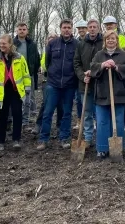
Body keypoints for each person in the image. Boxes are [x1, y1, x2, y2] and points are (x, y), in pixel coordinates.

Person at [0, 34, 31, 153]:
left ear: (10, 44)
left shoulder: (19, 58)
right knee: (2, 116)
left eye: (4, 43)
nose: (1, 46)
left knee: (17, 114)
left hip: (16, 91)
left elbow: (25, 74)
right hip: (1, 92)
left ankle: (16, 140)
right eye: (0, 44)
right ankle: (0, 141)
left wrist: (27, 87)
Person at [37, 19, 78, 150]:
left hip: (69, 84)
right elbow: (47, 62)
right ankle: (43, 139)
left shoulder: (77, 45)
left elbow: (78, 63)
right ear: (60, 29)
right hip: (53, 84)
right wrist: (52, 74)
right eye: (64, 27)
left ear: (72, 29)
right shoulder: (53, 44)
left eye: (69, 27)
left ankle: (64, 137)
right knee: (48, 112)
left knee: (66, 112)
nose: (66, 29)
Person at [90, 31, 125, 158]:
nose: (111, 41)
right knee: (102, 121)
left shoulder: (123, 55)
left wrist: (117, 67)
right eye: (108, 39)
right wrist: (102, 65)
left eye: (113, 38)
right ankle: (102, 148)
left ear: (117, 40)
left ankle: (118, 147)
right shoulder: (99, 55)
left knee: (118, 121)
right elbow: (92, 67)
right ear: (105, 41)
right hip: (102, 92)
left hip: (118, 93)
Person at [73, 19, 103, 146]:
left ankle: (101, 139)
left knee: (101, 114)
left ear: (98, 28)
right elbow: (76, 62)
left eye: (94, 27)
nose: (92, 29)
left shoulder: (104, 42)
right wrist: (82, 76)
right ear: (87, 28)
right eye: (89, 27)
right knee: (87, 113)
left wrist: (96, 73)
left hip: (102, 83)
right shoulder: (81, 44)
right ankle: (88, 138)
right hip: (85, 83)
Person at [32, 34, 62, 135]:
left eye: (53, 40)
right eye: (49, 40)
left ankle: (59, 125)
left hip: (60, 81)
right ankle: (39, 124)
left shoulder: (60, 51)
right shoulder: (46, 52)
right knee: (45, 103)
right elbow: (44, 67)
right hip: (48, 80)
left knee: (60, 104)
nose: (51, 42)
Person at [13, 22, 40, 129]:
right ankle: (16, 118)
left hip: (29, 74)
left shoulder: (32, 44)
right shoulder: (13, 44)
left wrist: (33, 70)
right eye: (20, 29)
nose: (22, 31)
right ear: (16, 30)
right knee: (16, 98)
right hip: (15, 75)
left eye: (24, 29)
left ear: (27, 31)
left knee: (29, 97)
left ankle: (26, 120)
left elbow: (37, 58)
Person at [73, 19, 89, 130]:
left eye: (83, 28)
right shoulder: (76, 42)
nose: (81, 30)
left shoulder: (90, 41)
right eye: (79, 28)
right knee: (78, 99)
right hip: (78, 75)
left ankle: (91, 119)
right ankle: (80, 120)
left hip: (90, 74)